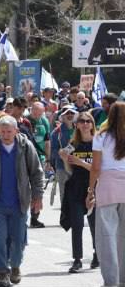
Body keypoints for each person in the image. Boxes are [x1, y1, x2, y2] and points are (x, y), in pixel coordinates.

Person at [0, 115, 45, 287]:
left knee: (18, 240)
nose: (5, 134)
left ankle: (16, 266)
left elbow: (36, 172)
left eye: (9, 131)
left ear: (16, 131)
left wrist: (38, 196)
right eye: (2, 131)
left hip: (19, 202)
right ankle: (3, 273)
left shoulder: (26, 146)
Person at [87, 101, 125, 287]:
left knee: (107, 236)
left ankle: (111, 281)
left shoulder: (100, 136)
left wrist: (90, 190)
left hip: (108, 186)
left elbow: (95, 167)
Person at [58, 110, 97, 273]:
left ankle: (98, 254)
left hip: (94, 187)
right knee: (77, 224)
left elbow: (98, 169)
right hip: (75, 187)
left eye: (88, 121)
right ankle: (77, 259)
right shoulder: (73, 143)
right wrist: (63, 157)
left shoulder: (98, 143)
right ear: (77, 124)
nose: (85, 124)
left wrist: (81, 162)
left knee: (95, 225)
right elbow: (68, 165)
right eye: (82, 121)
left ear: (92, 124)